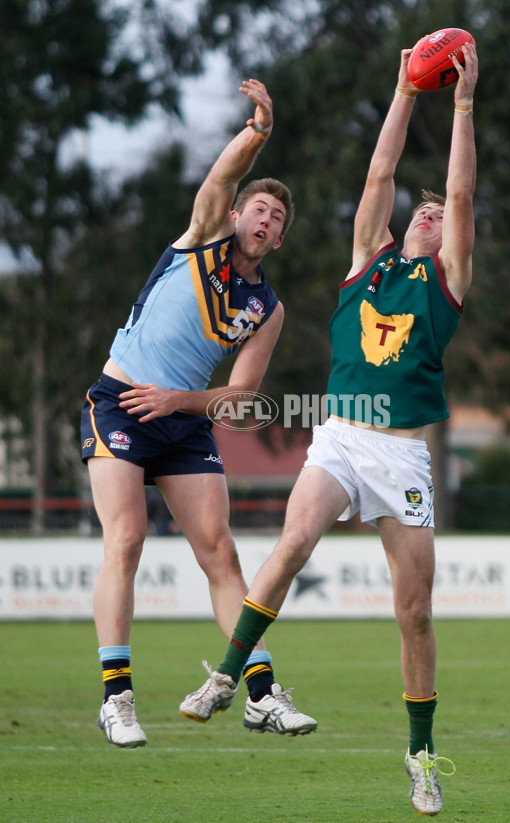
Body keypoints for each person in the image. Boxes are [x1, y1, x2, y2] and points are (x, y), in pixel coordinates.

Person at [192, 43, 478, 816]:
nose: (430, 208)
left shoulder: (445, 280)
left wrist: (460, 103)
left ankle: (420, 756)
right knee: (291, 544)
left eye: (440, 211)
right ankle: (228, 674)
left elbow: (459, 183)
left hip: (404, 453)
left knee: (412, 610)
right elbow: (380, 175)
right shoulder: (366, 261)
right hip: (343, 435)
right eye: (421, 208)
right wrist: (403, 89)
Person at [81, 78, 317, 748]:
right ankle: (117, 697)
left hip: (182, 420)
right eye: (260, 208)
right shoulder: (204, 236)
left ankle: (262, 694)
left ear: (276, 241)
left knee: (221, 554)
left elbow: (240, 397)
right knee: (125, 539)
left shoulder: (266, 309)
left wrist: (180, 402)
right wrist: (258, 132)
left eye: (277, 219)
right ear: (238, 215)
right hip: (120, 402)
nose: (266, 219)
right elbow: (221, 175)